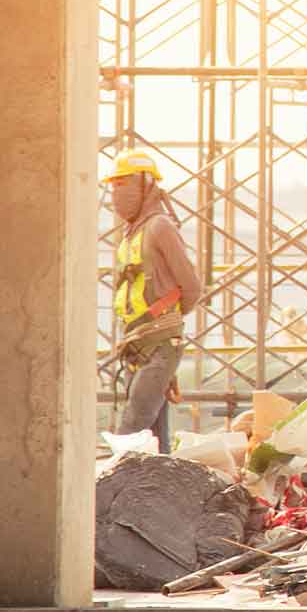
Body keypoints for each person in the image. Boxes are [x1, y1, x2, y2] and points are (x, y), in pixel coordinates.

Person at [105, 148, 203, 452]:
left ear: (147, 185)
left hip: (159, 343)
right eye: (114, 186)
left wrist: (166, 322)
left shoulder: (161, 227)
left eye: (126, 184)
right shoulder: (131, 233)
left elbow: (191, 287)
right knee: (155, 437)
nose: (118, 194)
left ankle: (112, 493)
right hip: (137, 346)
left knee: (132, 429)